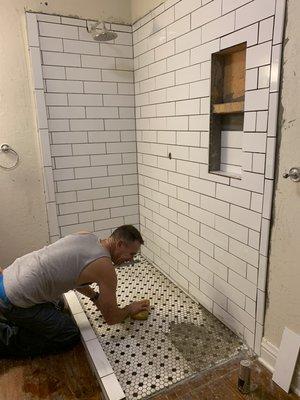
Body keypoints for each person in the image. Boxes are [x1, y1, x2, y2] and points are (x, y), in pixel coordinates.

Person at [0, 225, 149, 358]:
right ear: (120, 244)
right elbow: (111, 318)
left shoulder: (86, 236)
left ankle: (18, 319)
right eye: (131, 254)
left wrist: (94, 297)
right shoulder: (105, 267)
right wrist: (130, 308)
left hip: (8, 277)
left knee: (59, 304)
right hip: (12, 299)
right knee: (68, 334)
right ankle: (5, 336)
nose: (130, 260)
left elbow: (73, 276)